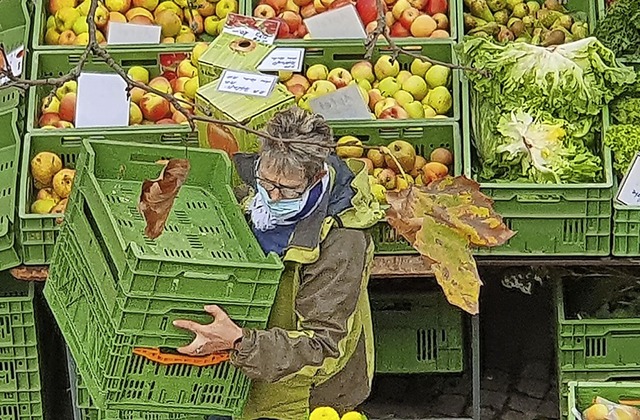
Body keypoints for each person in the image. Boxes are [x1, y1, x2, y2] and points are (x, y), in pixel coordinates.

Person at [173, 107, 383, 420]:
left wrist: (240, 342)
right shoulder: (250, 194)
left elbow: (323, 347)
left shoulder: (343, 240)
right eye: (266, 181)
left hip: (304, 396)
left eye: (287, 189)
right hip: (238, 376)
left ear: (318, 176)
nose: (272, 195)